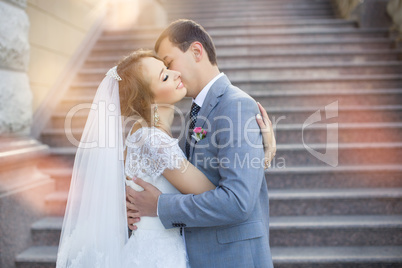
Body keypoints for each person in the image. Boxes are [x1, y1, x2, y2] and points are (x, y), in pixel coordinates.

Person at [56, 49, 275, 267]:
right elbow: (217, 193)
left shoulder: (145, 133)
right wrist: (257, 151)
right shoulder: (153, 140)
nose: (176, 74)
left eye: (168, 68)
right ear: (146, 98)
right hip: (160, 256)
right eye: (165, 76)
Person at [126, 19, 275, 268]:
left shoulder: (236, 105)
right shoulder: (192, 116)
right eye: (164, 70)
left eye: (169, 62)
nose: (170, 73)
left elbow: (238, 201)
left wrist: (160, 206)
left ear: (196, 51)